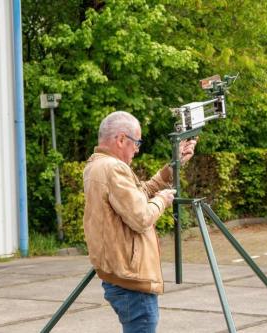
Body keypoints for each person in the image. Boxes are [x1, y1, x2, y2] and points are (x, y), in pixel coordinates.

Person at [83, 111, 197, 333]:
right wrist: (162, 200)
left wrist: (172, 167)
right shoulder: (113, 168)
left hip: (120, 277)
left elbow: (137, 195)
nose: (137, 149)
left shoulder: (98, 165)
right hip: (131, 282)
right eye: (136, 142)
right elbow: (141, 217)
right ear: (121, 139)